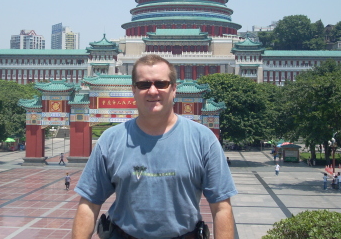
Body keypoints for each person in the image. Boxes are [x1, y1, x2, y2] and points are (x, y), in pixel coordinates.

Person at [72, 55, 237, 239]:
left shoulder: (203, 140)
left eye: (161, 84)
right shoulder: (111, 140)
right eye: (143, 85)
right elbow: (89, 203)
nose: (152, 91)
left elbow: (221, 207)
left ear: (174, 89)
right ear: (133, 90)